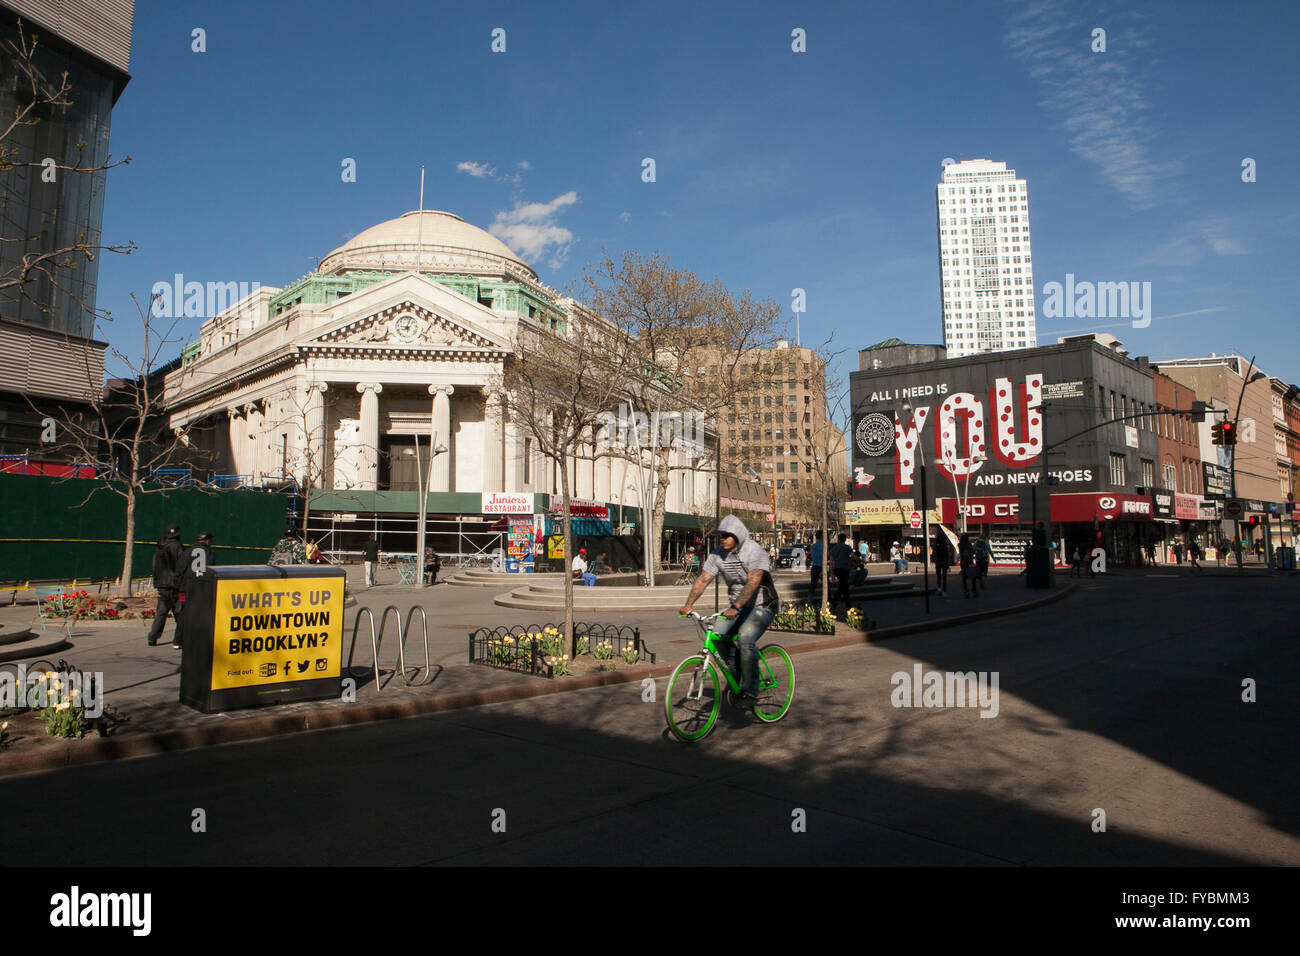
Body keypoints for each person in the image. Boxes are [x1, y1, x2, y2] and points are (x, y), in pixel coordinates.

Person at [678, 515, 778, 703]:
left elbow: (753, 582)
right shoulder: (717, 555)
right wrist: (688, 604)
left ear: (738, 536)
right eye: (721, 535)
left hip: (763, 605)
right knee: (717, 635)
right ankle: (737, 671)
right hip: (736, 606)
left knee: (745, 637)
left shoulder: (754, 551)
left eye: (727, 535)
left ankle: (750, 690)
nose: (722, 539)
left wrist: (736, 606)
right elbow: (703, 579)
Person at [146, 524, 186, 647]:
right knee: (180, 613)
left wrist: (157, 581)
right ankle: (179, 640)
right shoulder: (178, 547)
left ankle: (153, 636)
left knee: (161, 613)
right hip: (175, 585)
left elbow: (155, 567)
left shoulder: (159, 548)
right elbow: (181, 566)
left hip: (162, 585)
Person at [174, 531, 215, 650]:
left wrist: (179, 586)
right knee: (202, 614)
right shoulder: (210, 554)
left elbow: (179, 570)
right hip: (202, 589)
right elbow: (210, 571)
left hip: (186, 588)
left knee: (184, 613)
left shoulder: (187, 552)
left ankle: (178, 640)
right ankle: (199, 638)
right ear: (207, 541)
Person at [829, 533, 854, 608]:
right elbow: (853, 556)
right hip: (844, 569)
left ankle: (840, 603)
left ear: (838, 539)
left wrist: (832, 573)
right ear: (845, 539)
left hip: (837, 569)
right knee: (843, 587)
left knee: (843, 586)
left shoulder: (834, 548)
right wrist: (860, 560)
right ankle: (837, 602)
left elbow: (831, 561)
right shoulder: (847, 547)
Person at [959, 532, 977, 598]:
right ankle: (974, 590)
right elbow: (972, 552)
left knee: (964, 578)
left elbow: (961, 554)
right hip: (969, 562)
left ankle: (966, 591)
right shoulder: (969, 544)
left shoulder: (961, 545)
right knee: (973, 576)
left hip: (963, 563)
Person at [809, 532, 824, 601]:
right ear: (821, 536)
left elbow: (812, 556)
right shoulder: (823, 545)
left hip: (814, 566)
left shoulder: (813, 546)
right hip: (821, 566)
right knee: (826, 586)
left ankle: (809, 600)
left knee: (813, 585)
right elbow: (823, 557)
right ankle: (828, 600)